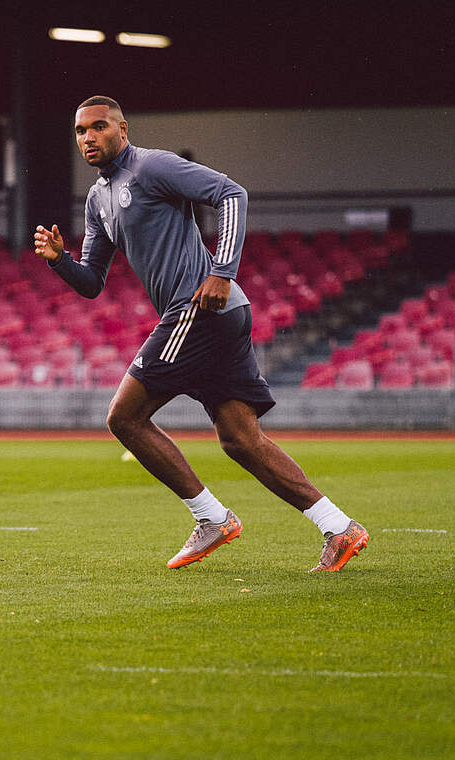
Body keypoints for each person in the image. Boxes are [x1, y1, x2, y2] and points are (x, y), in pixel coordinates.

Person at [32, 96, 369, 572]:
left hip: (200, 308)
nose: (88, 137)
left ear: (122, 130)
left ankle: (211, 518)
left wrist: (222, 271)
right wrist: (60, 262)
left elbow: (232, 194)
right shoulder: (96, 200)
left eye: (99, 126)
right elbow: (91, 282)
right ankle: (340, 527)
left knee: (125, 417)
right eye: (80, 131)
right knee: (240, 439)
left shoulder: (151, 166)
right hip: (218, 315)